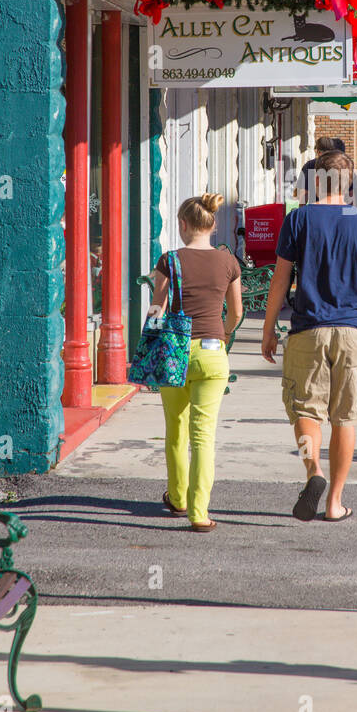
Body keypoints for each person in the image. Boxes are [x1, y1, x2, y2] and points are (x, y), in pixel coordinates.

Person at [261, 149, 357, 522]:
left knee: (306, 409)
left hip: (307, 329)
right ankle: (335, 503)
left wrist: (269, 331)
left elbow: (280, 281)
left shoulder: (298, 219)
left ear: (317, 180)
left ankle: (312, 472)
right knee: (345, 418)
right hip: (351, 330)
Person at [149, 194, 242, 534]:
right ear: (213, 224)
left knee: (176, 430)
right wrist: (223, 334)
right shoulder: (228, 263)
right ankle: (199, 514)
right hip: (213, 351)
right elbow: (237, 312)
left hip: (176, 351)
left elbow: (156, 309)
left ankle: (177, 498)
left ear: (183, 224)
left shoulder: (169, 260)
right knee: (204, 436)